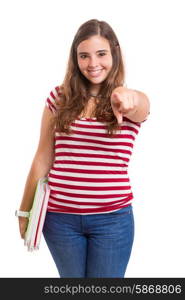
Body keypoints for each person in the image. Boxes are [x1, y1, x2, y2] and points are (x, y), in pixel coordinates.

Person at [16, 19, 150, 278]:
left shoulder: (127, 100)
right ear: (75, 59)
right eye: (84, 56)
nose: (93, 64)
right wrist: (24, 211)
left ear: (114, 53)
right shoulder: (59, 97)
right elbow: (42, 158)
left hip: (113, 220)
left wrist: (127, 98)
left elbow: (141, 105)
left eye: (101, 54)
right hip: (59, 219)